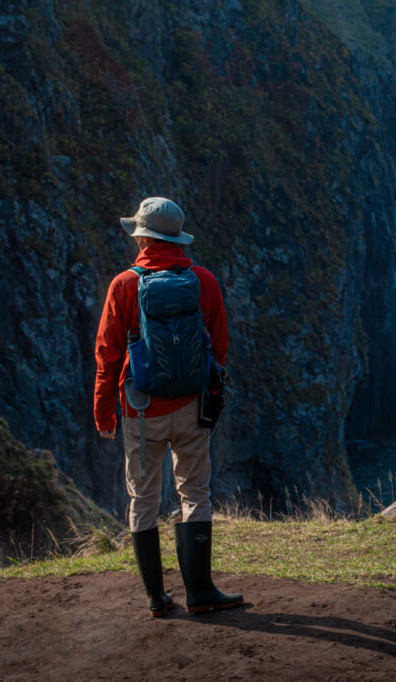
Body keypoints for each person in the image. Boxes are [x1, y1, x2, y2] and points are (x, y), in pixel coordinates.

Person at [94, 196, 243, 617]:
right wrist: (206, 389)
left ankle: (157, 599)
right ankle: (200, 593)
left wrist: (104, 411)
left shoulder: (124, 284)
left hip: (141, 412)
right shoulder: (204, 281)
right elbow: (219, 344)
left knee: (143, 498)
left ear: (141, 236)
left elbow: (106, 354)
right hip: (192, 408)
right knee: (194, 492)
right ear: (178, 238)